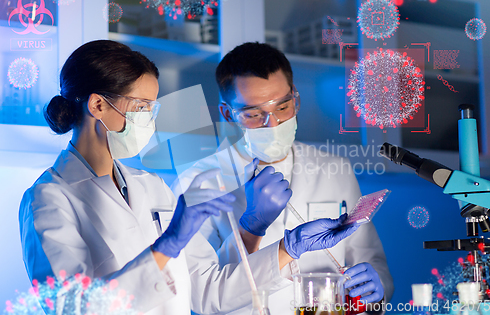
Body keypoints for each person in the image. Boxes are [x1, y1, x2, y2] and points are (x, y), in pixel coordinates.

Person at [19, 40, 361, 315]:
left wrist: (291, 247)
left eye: (153, 109)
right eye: (141, 108)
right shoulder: (48, 199)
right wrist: (168, 244)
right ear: (97, 105)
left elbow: (209, 290)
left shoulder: (150, 187)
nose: (149, 122)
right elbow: (71, 308)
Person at [173, 42, 394, 315]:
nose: (273, 123)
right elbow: (202, 297)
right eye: (253, 114)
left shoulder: (335, 168)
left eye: (283, 106)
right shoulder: (195, 184)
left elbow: (369, 257)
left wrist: (377, 286)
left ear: (295, 97)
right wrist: (250, 226)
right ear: (228, 114)